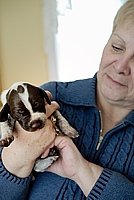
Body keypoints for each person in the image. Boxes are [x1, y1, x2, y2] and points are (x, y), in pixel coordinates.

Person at [0, 0, 134, 199]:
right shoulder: (49, 97)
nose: (121, 66)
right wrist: (15, 162)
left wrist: (83, 171)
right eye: (116, 47)